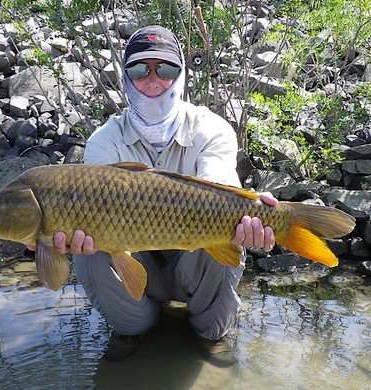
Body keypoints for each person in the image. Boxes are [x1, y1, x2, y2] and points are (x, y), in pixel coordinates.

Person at [45, 25, 277, 366]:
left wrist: (254, 216)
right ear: (125, 78)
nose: (153, 81)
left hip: (195, 261)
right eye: (140, 71)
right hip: (139, 263)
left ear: (181, 76)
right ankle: (133, 326)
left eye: (165, 70)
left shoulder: (212, 129)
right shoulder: (103, 142)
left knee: (229, 229)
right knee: (87, 245)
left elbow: (217, 190)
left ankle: (210, 332)